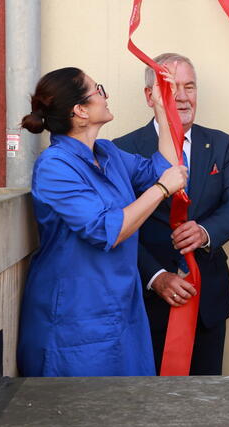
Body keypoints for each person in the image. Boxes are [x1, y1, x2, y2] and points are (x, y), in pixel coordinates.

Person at [16, 66, 188, 376]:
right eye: (99, 90)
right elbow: (107, 229)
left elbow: (165, 168)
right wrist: (161, 189)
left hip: (120, 306)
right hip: (76, 313)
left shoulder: (107, 153)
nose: (105, 97)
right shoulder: (55, 167)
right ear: (80, 111)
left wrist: (163, 110)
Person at [114, 53, 229, 376]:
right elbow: (120, 225)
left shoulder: (220, 144)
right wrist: (156, 277)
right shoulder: (122, 149)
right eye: (173, 88)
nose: (184, 97)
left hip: (207, 300)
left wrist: (204, 232)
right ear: (151, 96)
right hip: (149, 302)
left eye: (190, 87)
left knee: (205, 400)